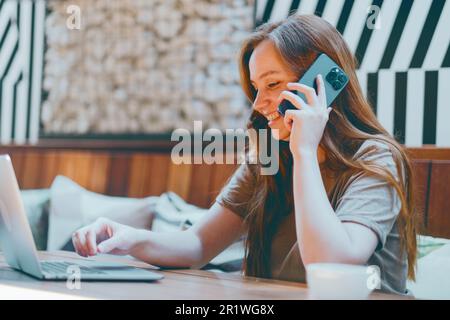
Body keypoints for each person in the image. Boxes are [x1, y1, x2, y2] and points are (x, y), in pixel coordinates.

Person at [72, 14, 417, 295]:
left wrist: (306, 150)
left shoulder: (375, 158)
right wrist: (127, 237)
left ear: (320, 85)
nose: (258, 104)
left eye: (272, 84)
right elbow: (196, 244)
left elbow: (331, 264)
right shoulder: (270, 156)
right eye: (255, 88)